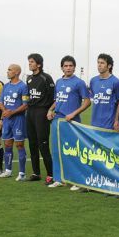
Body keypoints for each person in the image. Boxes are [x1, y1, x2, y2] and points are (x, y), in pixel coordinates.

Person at [47, 55, 90, 188]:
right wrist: (50, 110)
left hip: (72, 121)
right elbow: (58, 100)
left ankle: (78, 180)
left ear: (74, 68)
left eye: (71, 66)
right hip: (57, 120)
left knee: (73, 151)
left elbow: (87, 102)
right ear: (62, 68)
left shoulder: (79, 83)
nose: (68, 68)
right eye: (66, 66)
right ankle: (59, 179)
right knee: (56, 150)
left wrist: (73, 114)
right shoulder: (59, 82)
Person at [25, 53, 56, 183]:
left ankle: (51, 174)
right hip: (30, 112)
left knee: (43, 143)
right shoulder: (29, 78)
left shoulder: (46, 78)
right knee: (32, 144)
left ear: (38, 64)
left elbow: (54, 97)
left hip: (41, 112)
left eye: (32, 62)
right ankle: (36, 173)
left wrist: (49, 110)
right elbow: (28, 96)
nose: (30, 64)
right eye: (29, 61)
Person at [0, 64, 29, 180]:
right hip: (7, 120)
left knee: (19, 145)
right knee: (7, 144)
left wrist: (12, 112)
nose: (8, 72)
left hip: (18, 120)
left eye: (10, 70)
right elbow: (1, 102)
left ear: (17, 72)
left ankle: (22, 173)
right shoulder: (5, 86)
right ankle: (8, 171)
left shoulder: (23, 86)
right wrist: (5, 112)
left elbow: (25, 105)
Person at [89, 53, 119, 130]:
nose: (99, 65)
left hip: (109, 125)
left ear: (109, 66)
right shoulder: (93, 81)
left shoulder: (116, 82)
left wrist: (116, 120)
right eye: (98, 62)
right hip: (94, 124)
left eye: (102, 63)